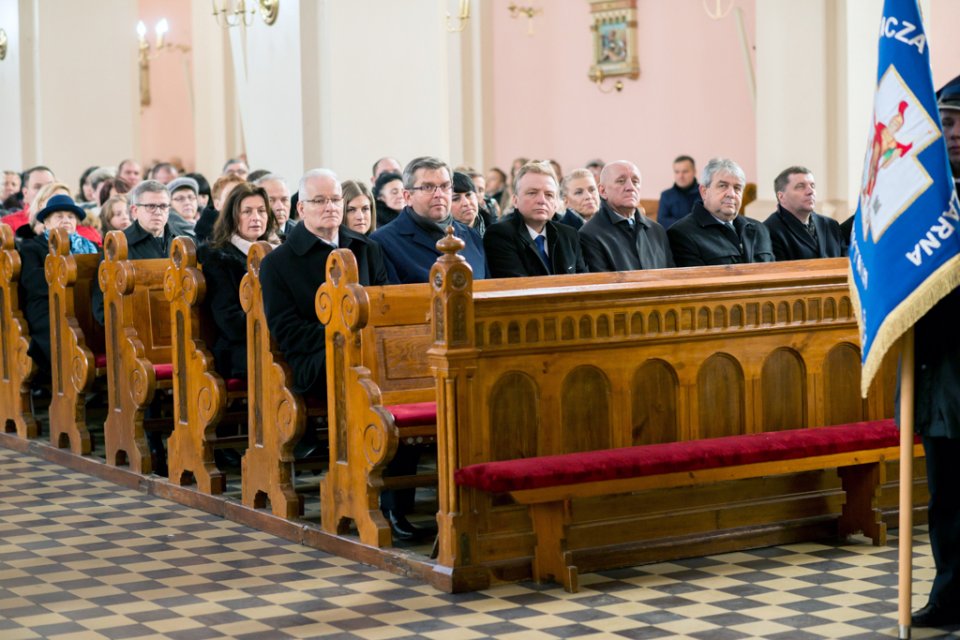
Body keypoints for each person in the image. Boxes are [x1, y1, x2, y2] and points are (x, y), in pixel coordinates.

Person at [911, 73, 960, 630]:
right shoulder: (922, 195)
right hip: (940, 379)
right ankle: (950, 596)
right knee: (947, 500)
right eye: (942, 123)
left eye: (954, 122)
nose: (948, 133)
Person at [199, 182, 279, 380]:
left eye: (261, 211)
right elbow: (229, 320)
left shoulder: (279, 251)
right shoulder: (217, 256)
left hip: (277, 337)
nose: (256, 218)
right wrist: (277, 328)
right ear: (232, 216)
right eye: (247, 212)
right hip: (239, 347)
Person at [370, 156, 486, 284]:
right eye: (427, 187)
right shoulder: (383, 242)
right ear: (407, 196)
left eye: (445, 186)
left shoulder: (472, 236)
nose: (439, 194)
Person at [20, 195, 99, 378]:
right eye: (59, 216)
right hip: (48, 308)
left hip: (84, 305)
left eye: (70, 217)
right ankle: (72, 379)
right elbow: (31, 282)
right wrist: (62, 272)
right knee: (63, 329)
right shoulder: (32, 248)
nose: (66, 220)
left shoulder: (92, 247)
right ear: (46, 223)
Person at [483, 161, 586, 278]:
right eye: (532, 193)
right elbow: (518, 287)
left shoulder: (569, 235)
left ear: (556, 203)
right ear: (515, 200)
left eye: (549, 195)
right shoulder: (499, 235)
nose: (542, 200)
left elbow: (583, 282)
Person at [667, 158, 774, 267]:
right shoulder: (682, 234)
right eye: (723, 186)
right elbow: (698, 283)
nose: (731, 194)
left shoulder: (759, 229)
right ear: (704, 192)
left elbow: (774, 276)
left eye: (737, 188)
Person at [579, 160, 674, 272]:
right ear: (603, 191)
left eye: (635, 181)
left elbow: (671, 277)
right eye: (621, 181)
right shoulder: (589, 234)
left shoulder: (657, 230)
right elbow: (604, 285)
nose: (630, 187)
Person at [763, 167, 845, 261]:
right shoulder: (769, 230)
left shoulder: (830, 225)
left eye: (812, 186)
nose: (810, 191)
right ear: (781, 196)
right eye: (800, 186)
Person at [657, 155, 700, 230]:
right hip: (674, 238)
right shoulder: (666, 195)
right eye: (677, 172)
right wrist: (688, 225)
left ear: (694, 172)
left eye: (685, 171)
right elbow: (662, 221)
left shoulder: (704, 194)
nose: (680, 176)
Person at [450, 172, 491, 237]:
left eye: (468, 195)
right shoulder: (441, 238)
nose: (466, 203)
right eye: (456, 199)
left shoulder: (493, 230)